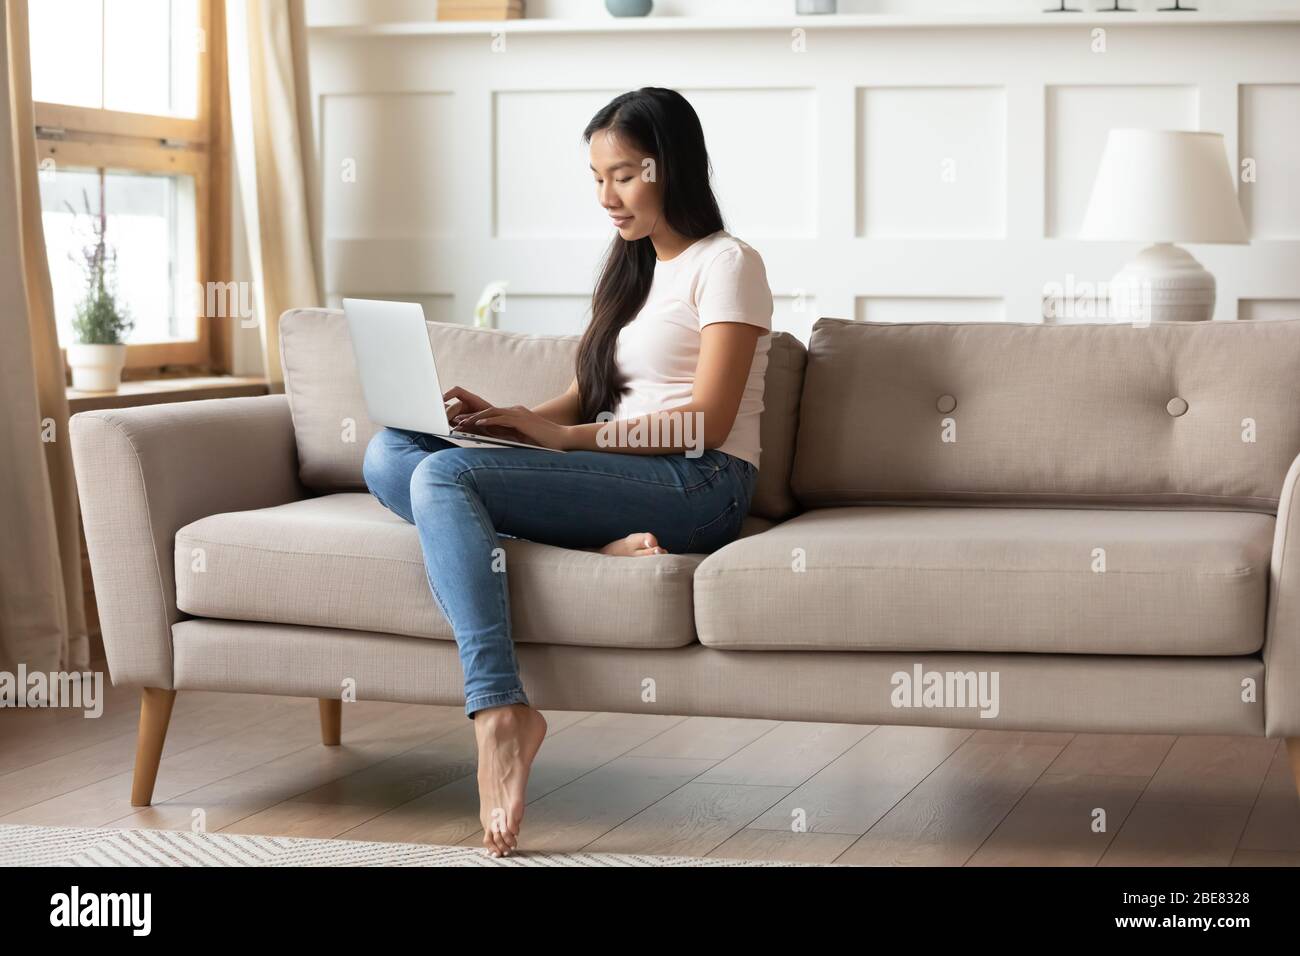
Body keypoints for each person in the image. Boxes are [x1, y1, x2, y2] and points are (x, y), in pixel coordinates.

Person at [362, 87, 773, 858]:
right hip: (616, 471)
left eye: (623, 174)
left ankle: (499, 711)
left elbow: (706, 424)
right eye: (595, 177)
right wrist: (515, 418)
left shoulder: (728, 265)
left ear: (670, 166)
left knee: (444, 483)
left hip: (697, 484)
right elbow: (591, 394)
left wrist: (564, 438)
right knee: (392, 453)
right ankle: (595, 541)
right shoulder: (632, 267)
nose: (606, 197)